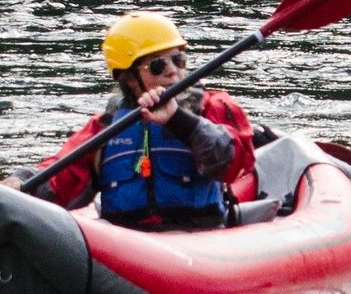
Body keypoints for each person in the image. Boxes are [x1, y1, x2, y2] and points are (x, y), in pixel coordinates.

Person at [21, 11, 258, 229]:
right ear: (130, 78)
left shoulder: (214, 106)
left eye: (178, 59)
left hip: (199, 236)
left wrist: (179, 120)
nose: (172, 71)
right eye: (157, 65)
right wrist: (20, 182)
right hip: (128, 243)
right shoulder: (106, 125)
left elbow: (234, 164)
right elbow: (61, 176)